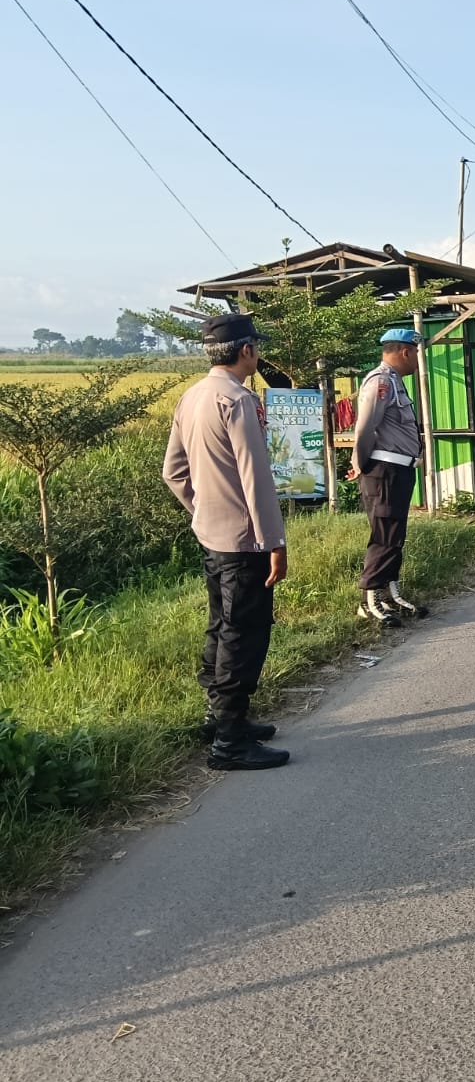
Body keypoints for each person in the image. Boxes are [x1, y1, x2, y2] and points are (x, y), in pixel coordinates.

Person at [161, 313, 290, 771]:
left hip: (212, 535)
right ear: (246, 350)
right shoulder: (237, 400)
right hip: (245, 540)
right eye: (257, 347)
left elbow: (173, 472)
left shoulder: (192, 396)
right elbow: (256, 478)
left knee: (221, 627)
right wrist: (274, 541)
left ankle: (220, 720)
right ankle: (230, 742)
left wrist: (203, 509)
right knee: (244, 634)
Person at [351, 327, 427, 625]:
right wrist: (360, 465)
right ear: (405, 352)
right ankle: (369, 600)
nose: (417, 360)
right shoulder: (381, 381)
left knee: (395, 536)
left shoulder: (394, 381)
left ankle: (390, 593)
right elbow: (365, 428)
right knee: (383, 536)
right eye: (416, 354)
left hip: (399, 469)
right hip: (383, 471)